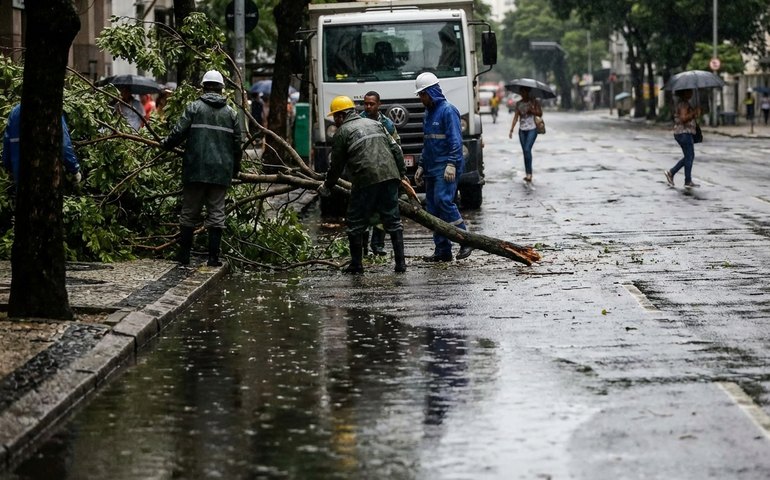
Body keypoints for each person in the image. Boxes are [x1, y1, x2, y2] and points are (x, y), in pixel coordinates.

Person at [160, 70, 243, 267]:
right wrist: (235, 170)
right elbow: (237, 145)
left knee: (189, 213)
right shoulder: (231, 113)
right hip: (220, 172)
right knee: (216, 215)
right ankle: (213, 258)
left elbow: (178, 132)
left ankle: (184, 257)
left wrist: (165, 145)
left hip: (195, 169)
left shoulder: (194, 108)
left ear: (203, 87)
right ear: (222, 89)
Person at [316, 95, 407, 274]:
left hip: (365, 179)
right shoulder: (375, 124)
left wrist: (327, 186)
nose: (335, 120)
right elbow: (396, 149)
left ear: (341, 116)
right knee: (393, 221)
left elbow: (336, 166)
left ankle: (357, 265)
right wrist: (401, 175)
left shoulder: (342, 132)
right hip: (390, 175)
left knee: (355, 221)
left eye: (335, 117)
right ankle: (400, 264)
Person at [414, 72, 473, 262]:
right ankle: (442, 250)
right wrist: (421, 165)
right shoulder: (428, 113)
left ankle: (465, 240)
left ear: (431, 92)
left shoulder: (448, 111)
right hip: (432, 167)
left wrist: (451, 164)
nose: (421, 98)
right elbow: (428, 143)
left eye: (422, 94)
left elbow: (456, 141)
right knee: (432, 208)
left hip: (446, 166)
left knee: (444, 201)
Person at [360, 90, 401, 256]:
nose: (368, 107)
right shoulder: (359, 121)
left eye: (372, 104)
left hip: (383, 173)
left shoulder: (387, 124)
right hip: (364, 172)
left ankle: (377, 245)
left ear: (379, 105)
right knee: (363, 211)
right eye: (366, 104)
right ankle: (362, 248)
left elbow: (396, 146)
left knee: (382, 211)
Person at [2, 103, 81, 187]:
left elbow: (7, 143)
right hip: (46, 174)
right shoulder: (51, 109)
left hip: (20, 173)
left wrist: (9, 168)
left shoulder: (15, 112)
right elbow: (63, 143)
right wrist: (74, 169)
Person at [664, 89, 702, 188]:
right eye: (689, 92)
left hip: (684, 133)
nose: (691, 93)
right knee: (689, 156)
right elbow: (683, 118)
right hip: (684, 133)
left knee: (688, 156)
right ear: (684, 93)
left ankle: (674, 174)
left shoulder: (684, 103)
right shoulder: (683, 104)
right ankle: (684, 179)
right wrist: (694, 113)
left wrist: (695, 113)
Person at [508, 86, 542, 183]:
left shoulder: (534, 102)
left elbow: (540, 113)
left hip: (532, 129)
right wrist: (511, 129)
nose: (523, 94)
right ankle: (527, 173)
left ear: (528, 92)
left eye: (524, 92)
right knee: (525, 152)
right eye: (521, 92)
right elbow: (515, 117)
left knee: (527, 149)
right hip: (522, 130)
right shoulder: (519, 103)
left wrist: (532, 111)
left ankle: (530, 173)